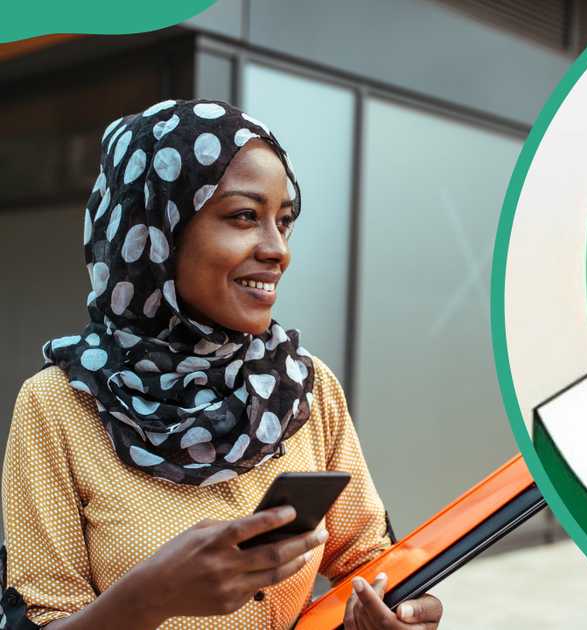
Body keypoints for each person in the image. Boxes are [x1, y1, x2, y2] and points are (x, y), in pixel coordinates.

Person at [0, 99, 443, 629]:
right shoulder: (59, 407)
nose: (278, 250)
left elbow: (367, 559)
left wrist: (398, 606)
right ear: (155, 233)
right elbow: (40, 617)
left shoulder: (303, 387)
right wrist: (150, 597)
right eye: (243, 217)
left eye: (285, 221)